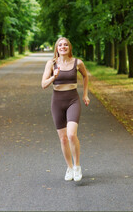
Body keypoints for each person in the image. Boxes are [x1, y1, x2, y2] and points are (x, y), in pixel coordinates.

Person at [41, 37, 90, 181]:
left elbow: (86, 76)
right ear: (56, 48)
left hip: (73, 100)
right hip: (57, 102)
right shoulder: (51, 63)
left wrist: (85, 94)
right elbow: (43, 84)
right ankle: (69, 167)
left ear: (69, 47)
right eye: (60, 45)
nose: (63, 47)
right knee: (63, 139)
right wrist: (53, 76)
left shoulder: (78, 62)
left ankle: (77, 166)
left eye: (66, 45)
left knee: (71, 135)